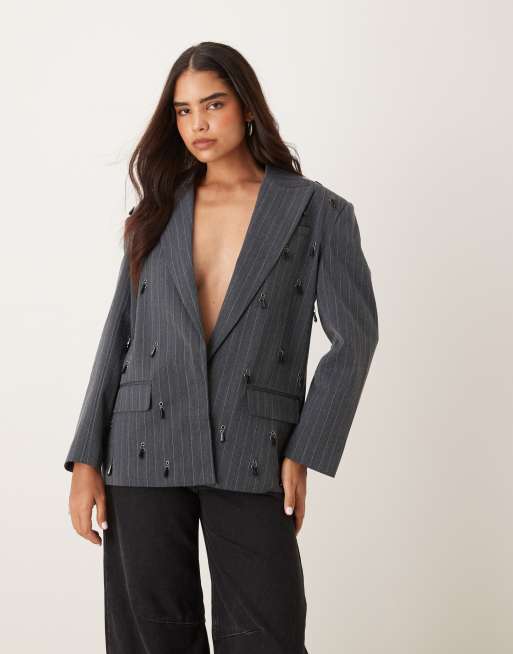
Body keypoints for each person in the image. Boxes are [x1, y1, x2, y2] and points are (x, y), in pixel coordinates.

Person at [65, 41, 379, 653]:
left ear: (248, 107)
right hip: (140, 445)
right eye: (183, 111)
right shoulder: (157, 211)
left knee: (267, 633)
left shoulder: (317, 211)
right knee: (150, 635)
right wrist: (85, 460)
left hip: (254, 445)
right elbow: (119, 333)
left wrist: (304, 450)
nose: (198, 124)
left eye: (213, 104)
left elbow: (355, 338)